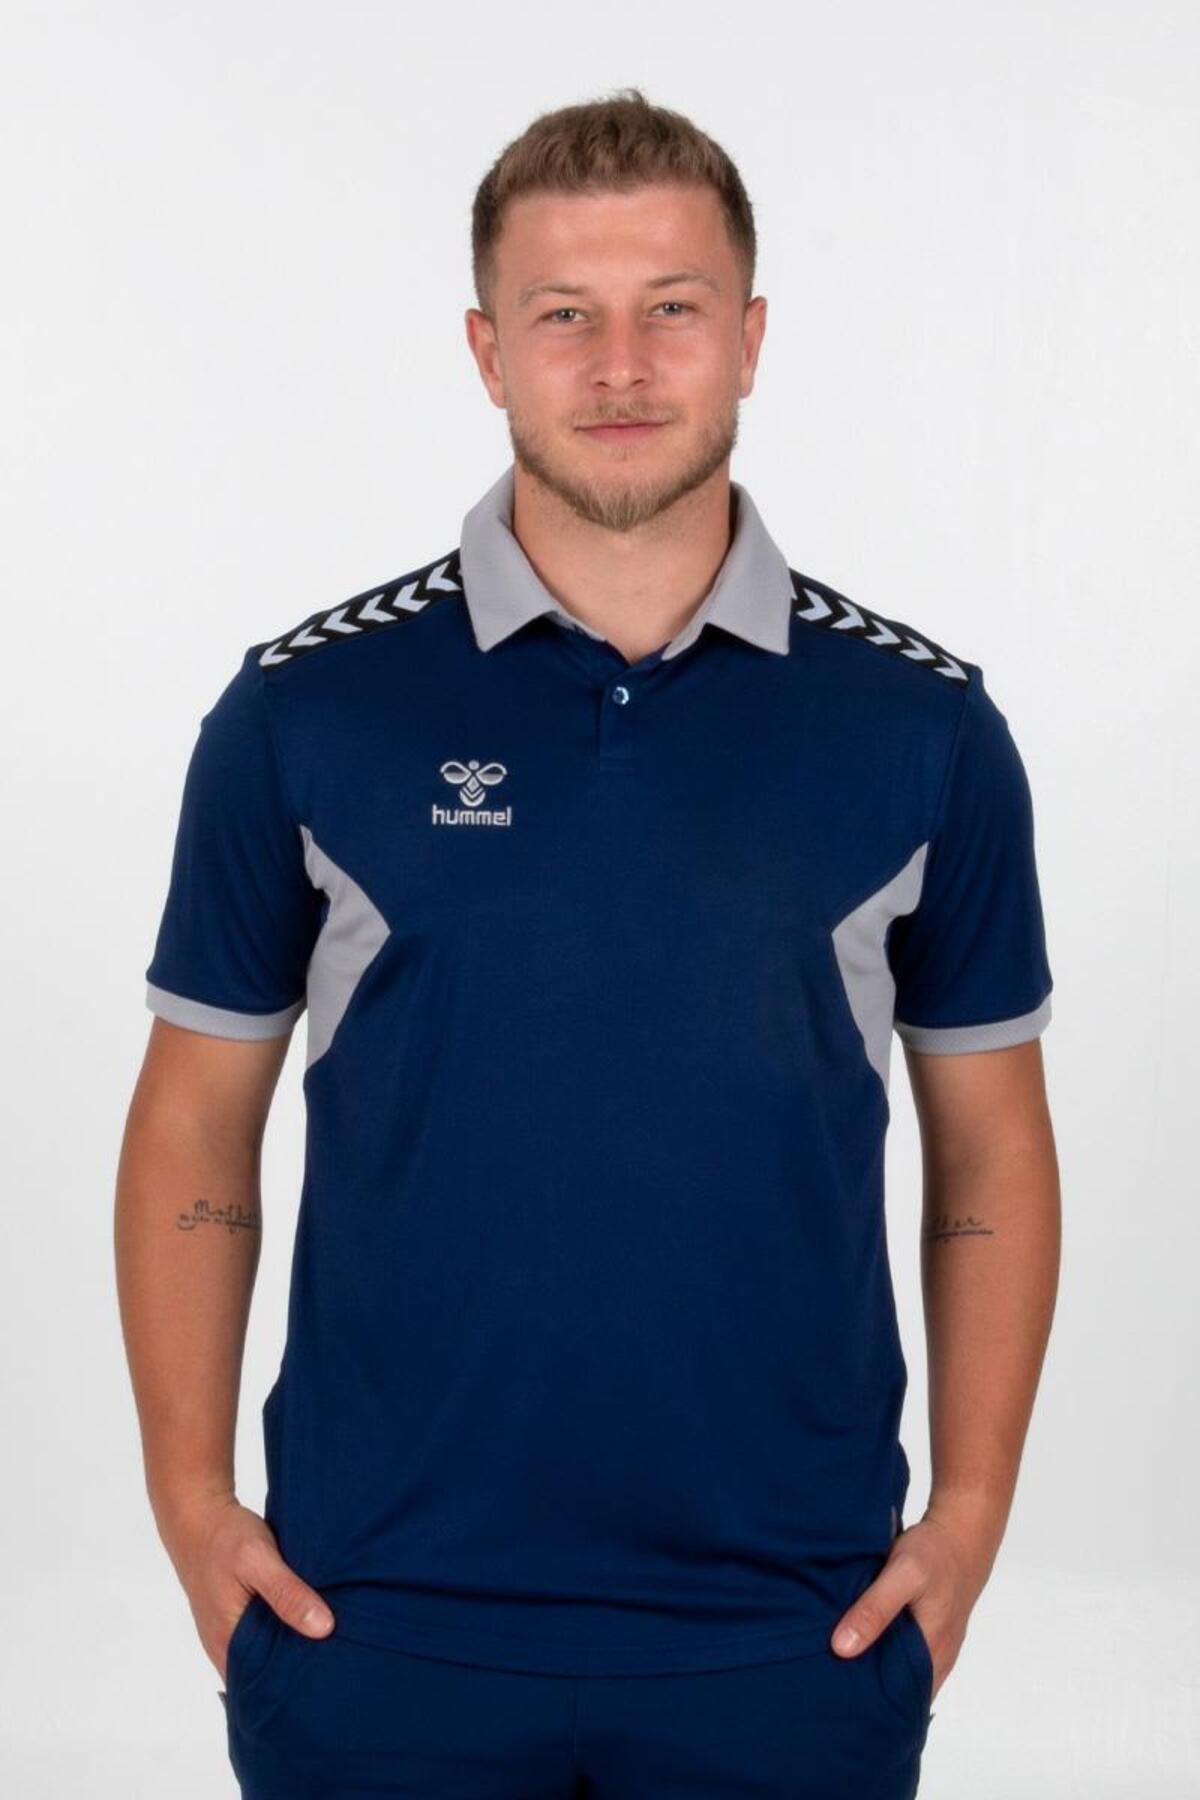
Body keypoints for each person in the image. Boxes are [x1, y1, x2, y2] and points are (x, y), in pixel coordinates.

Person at [115, 86, 1060, 1799]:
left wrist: (974, 1513)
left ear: (750, 337)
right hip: (372, 1627)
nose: (621, 365)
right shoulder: (307, 713)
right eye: (565, 316)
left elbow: (990, 1142)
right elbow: (193, 1119)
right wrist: (191, 1504)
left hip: (795, 1636)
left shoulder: (921, 731)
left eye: (671, 308)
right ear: (489, 351)